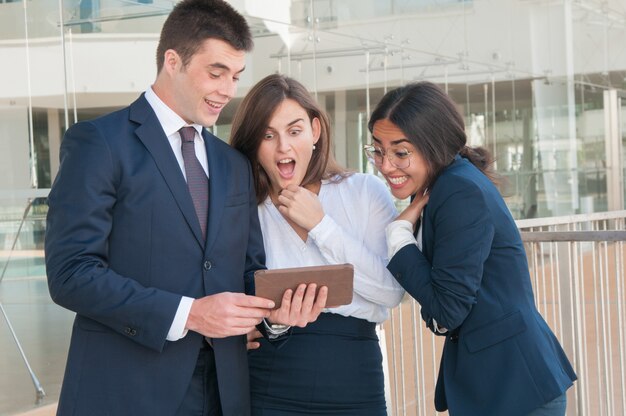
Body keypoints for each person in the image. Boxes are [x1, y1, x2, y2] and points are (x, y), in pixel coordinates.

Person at [45, 2, 323, 415]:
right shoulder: (99, 143)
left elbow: (248, 270)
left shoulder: (232, 163)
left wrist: (274, 313)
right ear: (172, 61)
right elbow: (71, 273)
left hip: (222, 394)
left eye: (235, 76)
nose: (228, 90)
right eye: (216, 72)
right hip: (125, 392)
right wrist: (189, 314)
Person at [367, 81, 577, 416]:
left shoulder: (458, 191)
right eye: (378, 150)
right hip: (499, 381)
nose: (386, 165)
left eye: (400, 152)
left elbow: (449, 308)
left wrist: (399, 234)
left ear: (434, 145)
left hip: (513, 387)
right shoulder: (445, 183)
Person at [230, 74, 405, 415]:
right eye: (268, 135)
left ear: (315, 131)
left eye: (294, 131)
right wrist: (268, 321)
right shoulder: (244, 208)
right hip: (270, 378)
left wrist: (321, 225)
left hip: (354, 377)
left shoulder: (365, 191)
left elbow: (391, 292)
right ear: (253, 143)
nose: (283, 147)